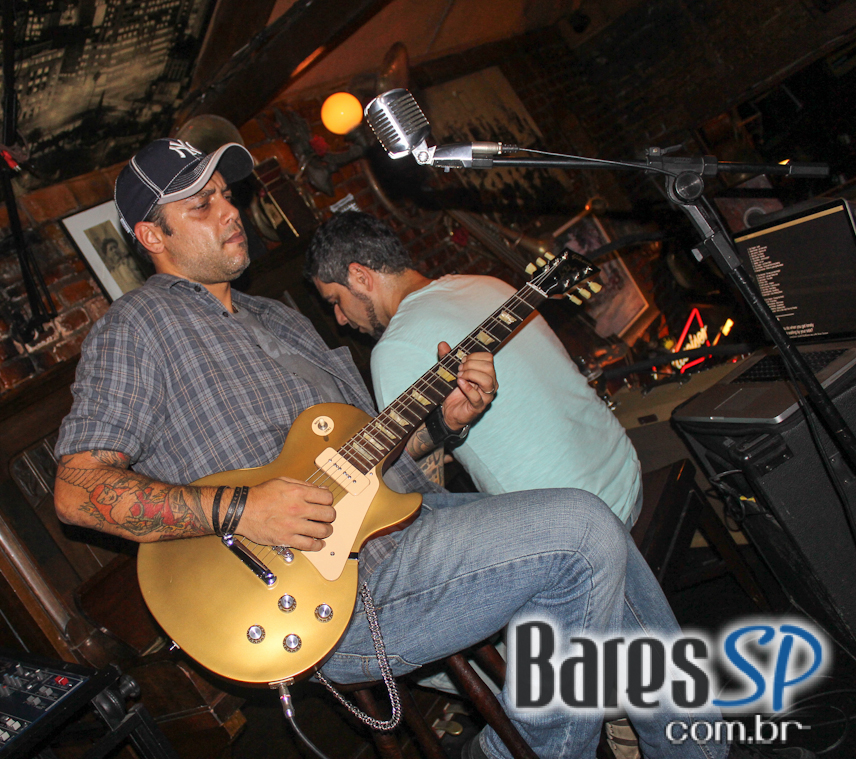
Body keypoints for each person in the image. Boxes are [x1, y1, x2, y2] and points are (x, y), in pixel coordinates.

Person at [53, 138, 726, 759]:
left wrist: (444, 424)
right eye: (202, 204)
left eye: (227, 194)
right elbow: (79, 489)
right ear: (152, 236)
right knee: (582, 533)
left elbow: (376, 458)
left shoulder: (280, 316)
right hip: (326, 590)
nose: (229, 209)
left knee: (596, 525)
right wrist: (241, 508)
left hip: (414, 524)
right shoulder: (138, 327)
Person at [304, 210, 643, 526]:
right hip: (624, 469)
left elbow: (418, 487)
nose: (340, 319)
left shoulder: (393, 349)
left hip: (575, 522)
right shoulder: (488, 283)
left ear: (360, 276)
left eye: (336, 301)